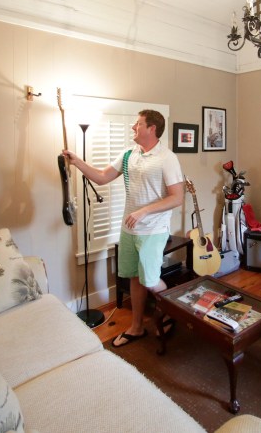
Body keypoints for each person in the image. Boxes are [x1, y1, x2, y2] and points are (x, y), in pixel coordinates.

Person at [63, 110, 184, 347]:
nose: (133, 127)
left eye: (138, 124)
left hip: (153, 229)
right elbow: (100, 177)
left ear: (152, 129)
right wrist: (76, 161)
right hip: (129, 230)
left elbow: (177, 198)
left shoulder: (167, 158)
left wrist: (144, 211)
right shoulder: (129, 155)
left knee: (150, 280)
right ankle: (137, 327)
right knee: (134, 278)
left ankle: (172, 310)